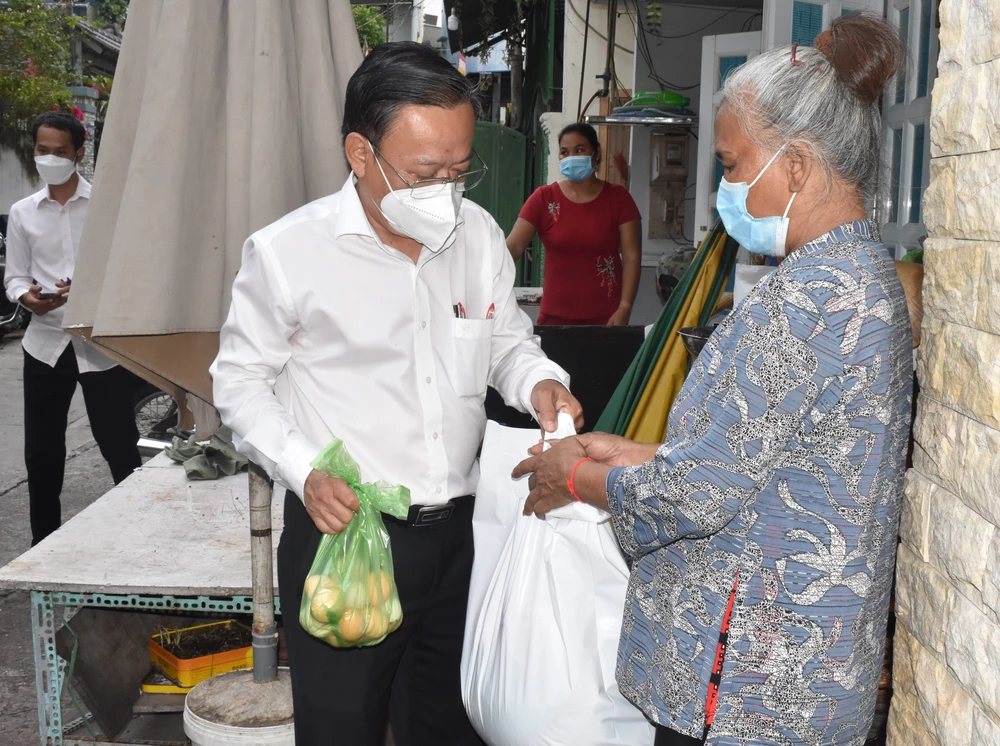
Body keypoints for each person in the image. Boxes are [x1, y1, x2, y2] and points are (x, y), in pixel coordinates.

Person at [513, 16, 911, 746]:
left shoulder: (814, 298)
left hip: (752, 685)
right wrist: (631, 453)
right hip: (786, 670)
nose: (724, 188)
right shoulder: (854, 276)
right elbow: (766, 464)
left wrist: (574, 478)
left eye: (730, 166)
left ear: (794, 165)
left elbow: (698, 494)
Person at [211, 42, 583, 746]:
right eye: (424, 172)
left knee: (450, 724)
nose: (445, 189)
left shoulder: (474, 234)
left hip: (461, 538)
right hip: (349, 538)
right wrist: (302, 469)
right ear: (360, 153)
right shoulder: (289, 253)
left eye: (458, 170)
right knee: (343, 728)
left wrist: (540, 383)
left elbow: (503, 341)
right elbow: (238, 382)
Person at [3, 112, 143, 546]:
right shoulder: (24, 214)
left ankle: (138, 539)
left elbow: (126, 269)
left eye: (59, 152)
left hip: (98, 345)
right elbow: (15, 276)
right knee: (42, 457)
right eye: (42, 151)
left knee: (120, 447)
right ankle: (44, 547)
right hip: (44, 345)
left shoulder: (106, 207)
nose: (49, 159)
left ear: (79, 154)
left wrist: (87, 289)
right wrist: (26, 296)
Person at [506, 123, 641, 326]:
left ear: (596, 154)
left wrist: (625, 307)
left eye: (579, 150)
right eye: (564, 152)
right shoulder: (544, 198)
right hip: (554, 321)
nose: (571, 157)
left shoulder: (618, 198)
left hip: (608, 320)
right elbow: (513, 247)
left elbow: (632, 257)